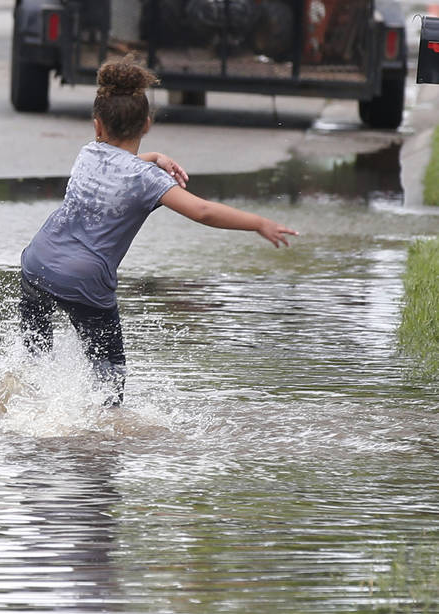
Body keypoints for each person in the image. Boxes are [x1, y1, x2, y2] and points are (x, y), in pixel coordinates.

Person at [19, 58, 297, 407]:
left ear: (97, 126)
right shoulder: (147, 180)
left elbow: (116, 160)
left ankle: (20, 401)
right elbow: (203, 211)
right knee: (109, 379)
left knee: (33, 359)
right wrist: (259, 223)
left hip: (37, 263)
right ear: (147, 124)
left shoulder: (87, 152)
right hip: (84, 279)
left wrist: (153, 157)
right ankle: (95, 445)